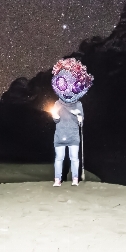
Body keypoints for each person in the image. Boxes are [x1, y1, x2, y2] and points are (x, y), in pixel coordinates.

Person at [48, 58, 93, 186]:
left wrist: (79, 117)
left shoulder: (78, 104)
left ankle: (75, 179)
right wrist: (55, 115)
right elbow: (56, 120)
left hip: (73, 136)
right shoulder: (57, 103)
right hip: (59, 136)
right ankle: (57, 180)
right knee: (59, 159)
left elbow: (81, 122)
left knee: (74, 159)